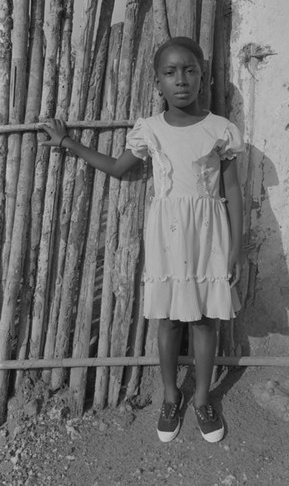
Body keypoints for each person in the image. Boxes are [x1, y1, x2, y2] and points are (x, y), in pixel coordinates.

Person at [41, 36, 245, 444]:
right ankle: (171, 396)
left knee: (206, 319)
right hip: (167, 235)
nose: (181, 79)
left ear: (202, 76)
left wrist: (236, 249)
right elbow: (119, 168)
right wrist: (68, 143)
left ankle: (203, 398)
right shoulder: (149, 130)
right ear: (157, 83)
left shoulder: (220, 130)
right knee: (168, 319)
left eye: (189, 70)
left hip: (209, 234)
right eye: (170, 72)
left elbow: (233, 191)